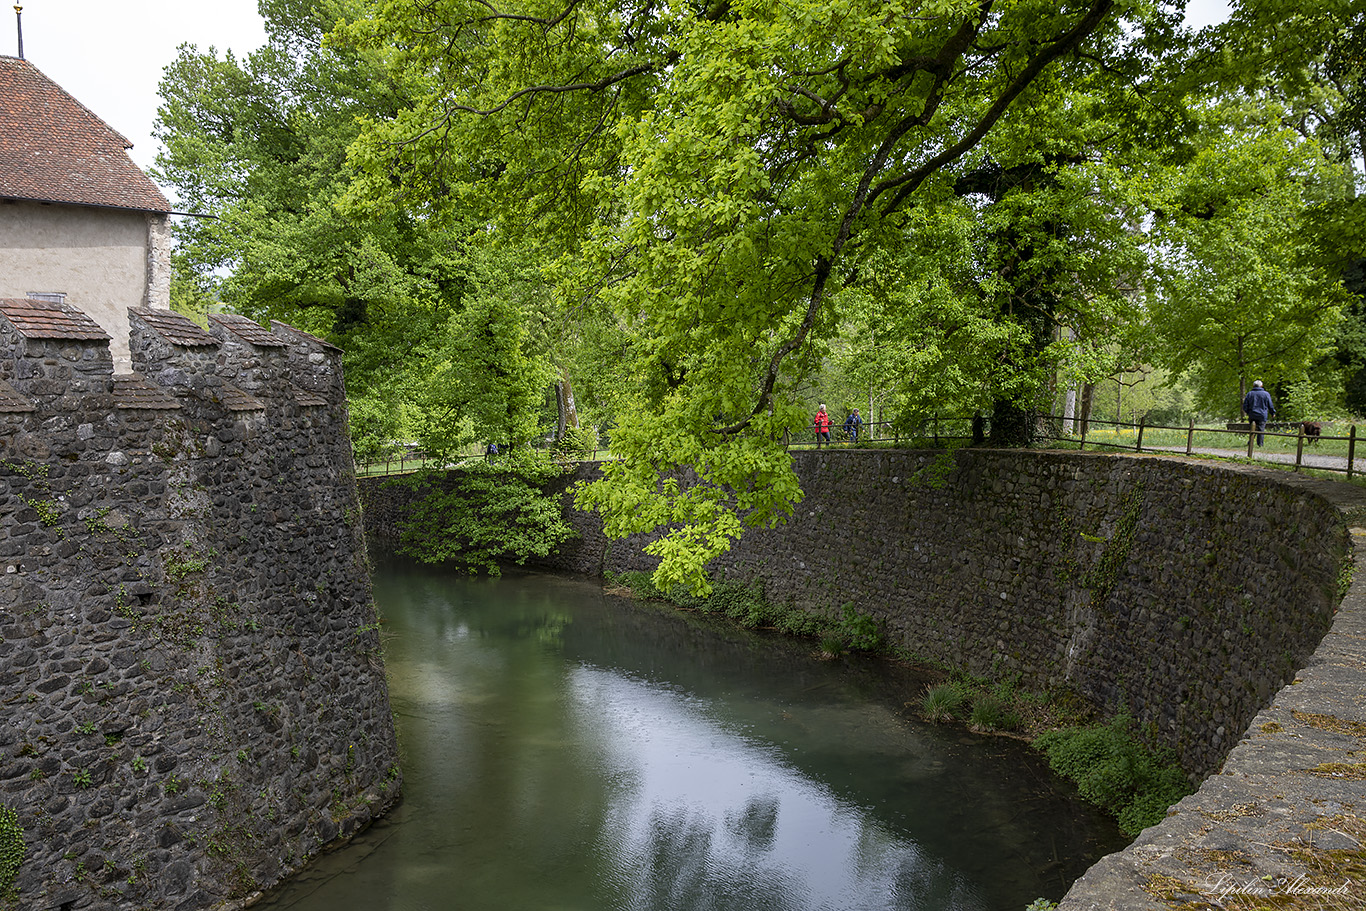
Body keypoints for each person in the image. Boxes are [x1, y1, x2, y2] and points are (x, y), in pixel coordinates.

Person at [1242, 380, 1276, 446]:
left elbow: (1245, 405)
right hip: (1262, 415)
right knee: (1261, 430)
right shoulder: (1266, 394)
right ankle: (1260, 444)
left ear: (1253, 386)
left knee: (1252, 429)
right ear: (1261, 386)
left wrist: (1249, 412)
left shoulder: (1250, 394)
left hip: (1252, 414)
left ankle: (1250, 443)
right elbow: (1270, 405)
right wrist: (1272, 413)